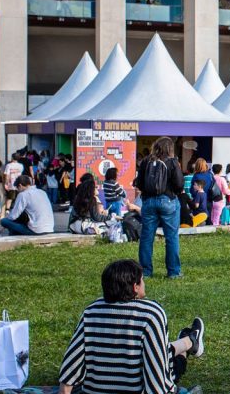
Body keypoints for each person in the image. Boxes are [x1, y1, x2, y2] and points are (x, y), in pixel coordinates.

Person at [57, 259, 205, 394]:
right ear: (135, 287)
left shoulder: (91, 311)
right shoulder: (150, 314)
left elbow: (72, 363)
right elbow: (157, 374)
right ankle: (190, 340)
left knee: (162, 351)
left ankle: (191, 340)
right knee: (171, 359)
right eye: (142, 280)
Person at [134, 137, 184, 278]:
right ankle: (174, 272)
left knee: (146, 238)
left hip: (149, 201)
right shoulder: (172, 162)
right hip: (168, 200)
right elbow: (180, 184)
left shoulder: (146, 161)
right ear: (170, 148)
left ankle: (145, 272)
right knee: (171, 237)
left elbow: (140, 183)